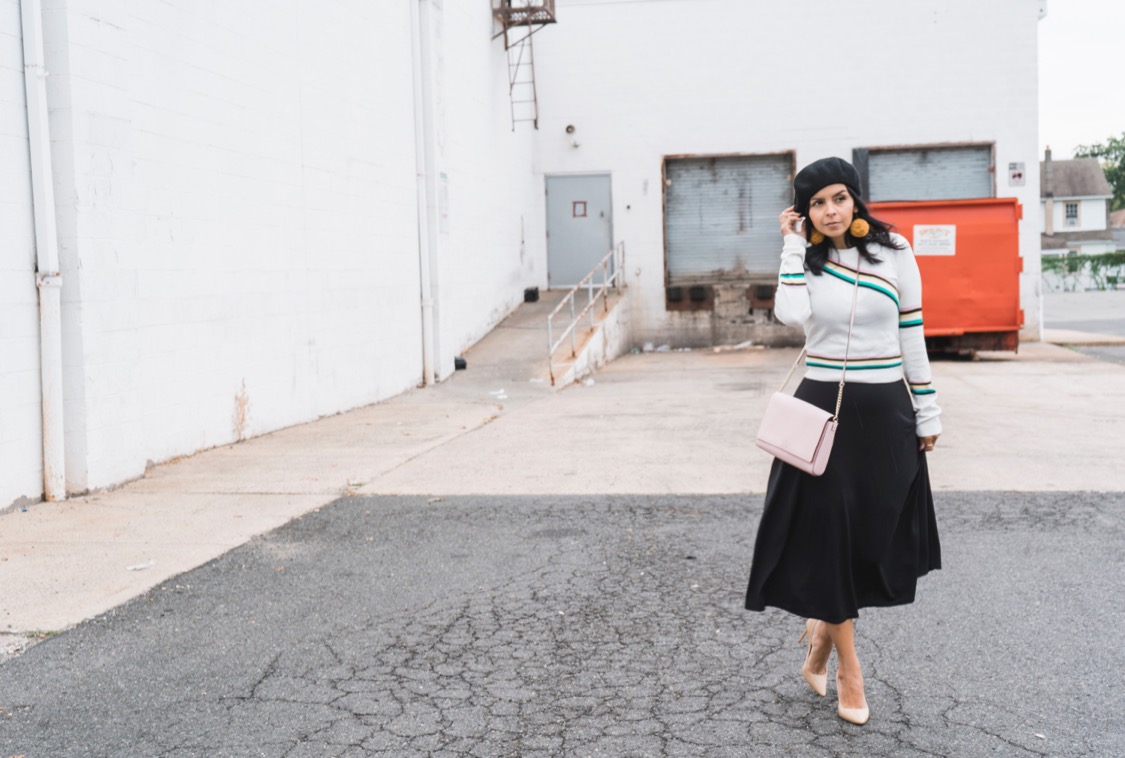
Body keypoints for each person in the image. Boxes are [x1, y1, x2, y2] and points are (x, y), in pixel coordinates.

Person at [744, 157, 942, 726]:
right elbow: (790, 315)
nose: (830, 211)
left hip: (884, 413)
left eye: (838, 198)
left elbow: (913, 333)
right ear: (803, 213)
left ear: (855, 199)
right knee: (830, 536)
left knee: (871, 538)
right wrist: (789, 246)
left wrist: (927, 412)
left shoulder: (896, 252)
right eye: (816, 204)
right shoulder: (807, 260)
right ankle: (851, 672)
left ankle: (821, 639)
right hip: (820, 412)